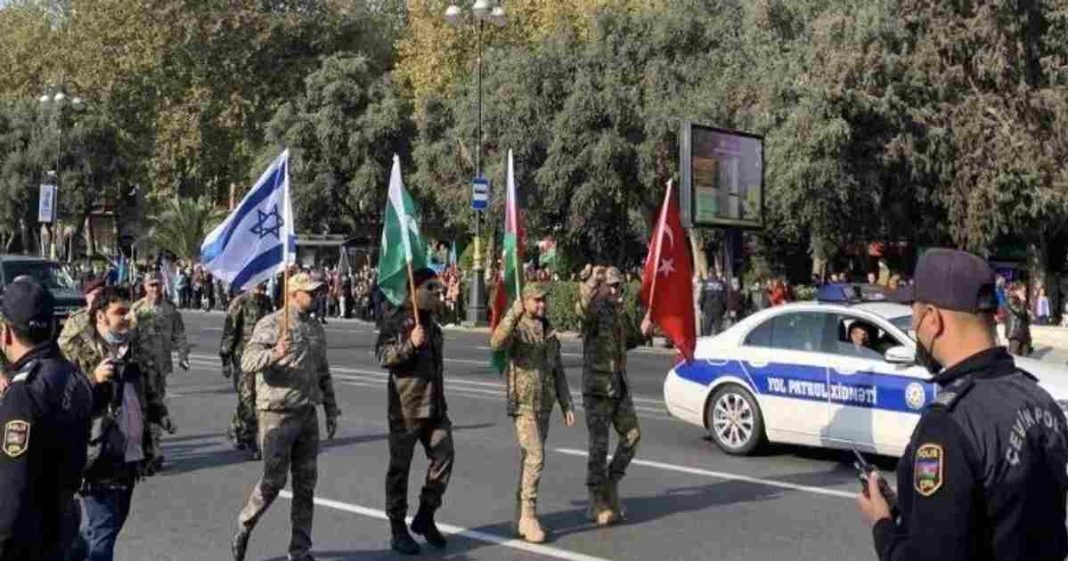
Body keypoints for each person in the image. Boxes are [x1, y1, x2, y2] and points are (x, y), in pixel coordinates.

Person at [857, 248, 1068, 561]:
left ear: (933, 319)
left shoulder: (948, 425)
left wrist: (882, 524)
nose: (915, 330)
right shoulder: (1040, 400)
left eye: (914, 316)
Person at [231, 273, 339, 561]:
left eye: (318, 292)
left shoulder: (316, 328)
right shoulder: (271, 323)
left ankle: (300, 550)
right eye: (311, 292)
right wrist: (275, 353)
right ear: (293, 293)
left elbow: (323, 372)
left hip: (306, 413)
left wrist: (330, 408)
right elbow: (247, 361)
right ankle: (245, 523)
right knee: (273, 482)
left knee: (306, 486)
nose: (316, 296)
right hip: (277, 415)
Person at [64, 287, 170, 561]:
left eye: (129, 310)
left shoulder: (131, 345)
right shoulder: (76, 346)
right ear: (101, 316)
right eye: (120, 312)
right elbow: (61, 399)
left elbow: (142, 386)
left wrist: (159, 412)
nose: (128, 317)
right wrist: (92, 380)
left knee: (102, 530)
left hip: (128, 454)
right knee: (102, 535)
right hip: (96, 456)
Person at [0, 278, 93, 561]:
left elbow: (13, 487)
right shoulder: (68, 372)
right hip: (63, 521)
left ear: (5, 332)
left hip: (33, 539)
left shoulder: (25, 392)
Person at [375, 268, 454, 555]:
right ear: (414, 290)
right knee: (400, 470)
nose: (437, 293)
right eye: (431, 288)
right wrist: (410, 344)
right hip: (406, 410)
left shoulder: (433, 325)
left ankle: (425, 515)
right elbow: (383, 356)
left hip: (434, 408)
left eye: (438, 288)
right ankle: (398, 528)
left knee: (444, 456)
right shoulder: (397, 320)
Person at [489, 284, 576, 543]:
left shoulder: (547, 329)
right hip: (524, 403)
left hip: (544, 404)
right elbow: (495, 343)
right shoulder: (517, 326)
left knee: (529, 459)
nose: (542, 305)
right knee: (536, 457)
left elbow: (557, 369)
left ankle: (520, 516)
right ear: (525, 301)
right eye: (537, 300)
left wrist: (567, 403)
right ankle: (528, 517)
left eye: (544, 300)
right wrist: (513, 313)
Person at [575, 265, 650, 526]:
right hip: (597, 389)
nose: (617, 290)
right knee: (599, 447)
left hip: (618, 387)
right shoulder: (594, 309)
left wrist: (645, 328)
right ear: (602, 288)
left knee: (632, 435)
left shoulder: (618, 313)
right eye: (612, 286)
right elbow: (581, 310)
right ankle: (595, 499)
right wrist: (591, 285)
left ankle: (611, 482)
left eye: (620, 286)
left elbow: (631, 339)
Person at [129, 273, 190, 469]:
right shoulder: (137, 310)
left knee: (157, 407)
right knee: (141, 408)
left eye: (158, 285)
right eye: (151, 285)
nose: (155, 289)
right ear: (145, 286)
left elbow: (179, 334)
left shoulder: (170, 309)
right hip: (140, 368)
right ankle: (144, 448)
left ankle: (155, 448)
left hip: (160, 368)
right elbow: (126, 336)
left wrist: (183, 356)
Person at [220, 282, 274, 459]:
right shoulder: (239, 303)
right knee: (247, 398)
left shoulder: (266, 302)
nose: (262, 286)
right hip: (243, 358)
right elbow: (229, 332)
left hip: (263, 358)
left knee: (257, 397)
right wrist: (225, 360)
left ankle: (237, 427)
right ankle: (248, 439)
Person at [57, 278, 106, 351]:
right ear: (87, 297)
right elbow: (63, 342)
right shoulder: (77, 319)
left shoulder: (109, 315)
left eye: (101, 295)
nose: (98, 298)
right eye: (95, 295)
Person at [1005, 284, 1032, 356]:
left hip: (1024, 333)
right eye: (1023, 291)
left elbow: (1025, 317)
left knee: (1025, 357)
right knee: (1015, 356)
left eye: (1025, 291)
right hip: (1015, 333)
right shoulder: (1011, 299)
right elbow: (1020, 312)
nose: (1024, 293)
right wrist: (1023, 301)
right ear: (1017, 291)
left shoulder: (1022, 300)